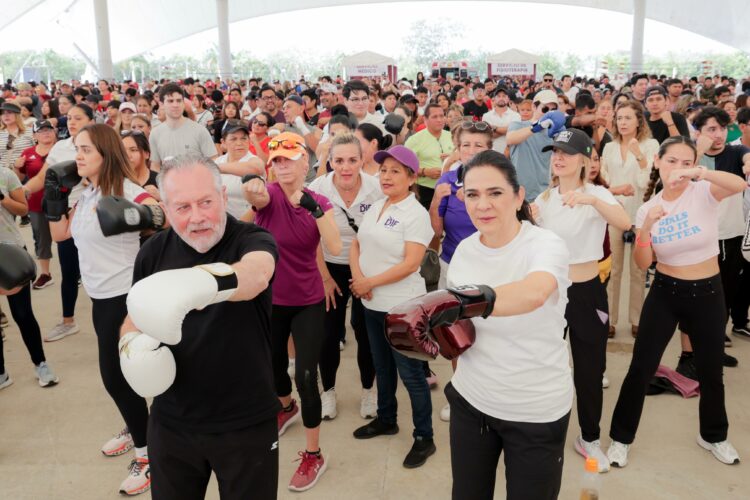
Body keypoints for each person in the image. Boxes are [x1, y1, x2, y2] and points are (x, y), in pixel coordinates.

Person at [118, 154, 279, 499]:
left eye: (206, 202)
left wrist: (200, 284)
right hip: (172, 421)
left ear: (223, 196)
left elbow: (256, 274)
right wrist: (130, 346)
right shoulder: (152, 252)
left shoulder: (252, 239)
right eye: (182, 207)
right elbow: (134, 316)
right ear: (165, 208)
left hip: (245, 421)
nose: (197, 217)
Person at [431, 149, 573, 499]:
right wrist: (435, 335)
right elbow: (463, 332)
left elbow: (535, 292)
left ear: (519, 196)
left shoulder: (545, 244)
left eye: (495, 193)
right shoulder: (464, 250)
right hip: (471, 400)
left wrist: (462, 303)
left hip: (534, 409)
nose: (483, 205)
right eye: (473, 195)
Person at [607, 136, 747, 468]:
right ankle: (620, 439)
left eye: (687, 162)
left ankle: (713, 436)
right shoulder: (648, 208)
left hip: (708, 293)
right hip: (666, 293)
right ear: (658, 161)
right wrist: (647, 228)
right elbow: (643, 262)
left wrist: (701, 173)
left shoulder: (703, 191)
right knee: (641, 368)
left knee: (711, 370)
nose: (679, 169)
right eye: (672, 161)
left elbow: (740, 184)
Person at [49, 124, 162, 495]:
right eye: (77, 149)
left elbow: (161, 212)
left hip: (125, 297)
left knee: (117, 378)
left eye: (86, 149)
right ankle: (137, 426)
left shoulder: (127, 191)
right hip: (99, 298)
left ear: (105, 154)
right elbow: (61, 235)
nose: (77, 156)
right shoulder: (86, 194)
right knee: (120, 379)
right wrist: (54, 198)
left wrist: (143, 216)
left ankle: (148, 456)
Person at [243, 132, 342, 491]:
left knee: (306, 376)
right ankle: (286, 407)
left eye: (289, 159)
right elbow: (252, 202)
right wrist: (251, 189)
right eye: (277, 161)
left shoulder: (319, 201)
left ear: (305, 163)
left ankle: (313, 454)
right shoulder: (268, 195)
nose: (283, 166)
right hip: (271, 299)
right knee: (271, 369)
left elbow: (334, 245)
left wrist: (313, 209)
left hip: (307, 301)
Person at [531, 129, 631, 472]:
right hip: (551, 292)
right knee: (545, 366)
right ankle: (541, 430)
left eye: (567, 153)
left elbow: (625, 222)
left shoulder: (597, 193)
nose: (558, 158)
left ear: (584, 160)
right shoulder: (544, 198)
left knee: (589, 370)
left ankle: (589, 438)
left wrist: (592, 201)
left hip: (587, 292)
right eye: (555, 152)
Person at [349, 145, 436, 469]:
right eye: (383, 170)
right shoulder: (377, 205)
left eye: (395, 171)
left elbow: (412, 263)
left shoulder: (415, 214)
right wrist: (360, 279)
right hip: (372, 303)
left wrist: (369, 283)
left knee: (411, 374)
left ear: (412, 178)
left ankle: (424, 437)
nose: (386, 176)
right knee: (382, 366)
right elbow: (357, 243)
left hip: (402, 307)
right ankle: (387, 419)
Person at [308, 133, 382, 421]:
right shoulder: (317, 188)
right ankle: (328, 391)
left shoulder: (377, 188)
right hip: (330, 267)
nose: (346, 167)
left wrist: (368, 277)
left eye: (352, 160)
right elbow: (311, 238)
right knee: (328, 333)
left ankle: (368, 390)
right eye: (339, 160)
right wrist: (325, 278)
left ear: (362, 160)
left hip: (365, 268)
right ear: (329, 161)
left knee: (365, 332)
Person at [23, 103, 94, 343]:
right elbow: (43, 177)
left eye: (78, 118)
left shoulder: (102, 145)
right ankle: (68, 322)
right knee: (69, 271)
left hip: (95, 214)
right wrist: (22, 191)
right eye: (69, 118)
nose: (71, 122)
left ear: (91, 121)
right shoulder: (61, 147)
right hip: (66, 218)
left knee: (100, 270)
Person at [600, 100, 659, 338]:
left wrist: (638, 155)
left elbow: (647, 182)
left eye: (628, 118)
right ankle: (609, 320)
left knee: (638, 271)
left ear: (639, 121)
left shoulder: (651, 145)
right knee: (612, 270)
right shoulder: (609, 147)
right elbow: (603, 181)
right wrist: (616, 190)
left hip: (640, 214)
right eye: (619, 118)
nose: (622, 122)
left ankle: (637, 319)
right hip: (614, 212)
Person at [0, 168, 59, 390]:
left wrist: (2, 198)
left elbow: (23, 208)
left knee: (23, 314)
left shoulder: (5, 175)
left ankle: (41, 364)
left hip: (11, 252)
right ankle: (1, 373)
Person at [15, 120, 58, 288]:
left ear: (54, 132)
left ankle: (76, 272)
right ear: (34, 135)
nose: (46, 133)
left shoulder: (62, 149)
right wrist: (17, 167)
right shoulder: (28, 153)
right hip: (36, 202)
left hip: (61, 201)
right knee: (41, 237)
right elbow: (18, 179)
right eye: (41, 130)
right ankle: (46, 274)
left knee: (70, 237)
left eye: (49, 129)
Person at [506, 90, 566, 201]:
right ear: (534, 107)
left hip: (543, 192)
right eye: (545, 109)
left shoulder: (553, 132)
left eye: (553, 110)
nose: (549, 114)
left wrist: (561, 138)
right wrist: (536, 127)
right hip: (519, 192)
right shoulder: (518, 125)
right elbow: (510, 139)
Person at [149, 83, 217, 171]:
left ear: (183, 103)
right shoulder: (155, 133)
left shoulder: (200, 131)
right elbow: (155, 165)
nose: (175, 105)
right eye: (170, 101)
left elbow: (213, 162)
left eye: (179, 101)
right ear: (161, 104)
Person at [405, 103, 454, 211]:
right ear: (425, 119)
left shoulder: (452, 136)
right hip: (425, 190)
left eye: (442, 116)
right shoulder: (414, 140)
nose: (439, 120)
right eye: (434, 117)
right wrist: (425, 172)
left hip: (450, 188)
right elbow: (404, 167)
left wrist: (453, 157)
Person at [482, 87, 520, 154]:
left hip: (511, 153)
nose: (501, 98)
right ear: (494, 99)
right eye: (498, 96)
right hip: (492, 153)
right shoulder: (486, 116)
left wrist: (494, 128)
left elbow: (515, 132)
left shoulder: (516, 115)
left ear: (508, 99)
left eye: (504, 96)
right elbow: (488, 135)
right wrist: (508, 130)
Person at [0, 102, 35, 170]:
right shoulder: (1, 133)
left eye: (9, 112)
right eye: (2, 113)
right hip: (2, 173)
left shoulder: (30, 132)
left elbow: (38, 152)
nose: (6, 115)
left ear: (17, 114)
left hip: (22, 172)